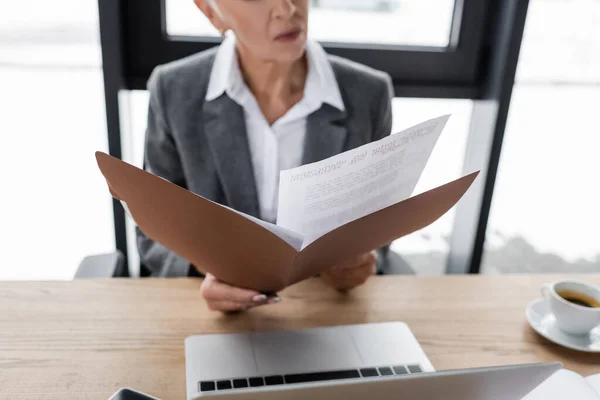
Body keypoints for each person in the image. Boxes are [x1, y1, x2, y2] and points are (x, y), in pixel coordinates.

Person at [136, 0, 394, 312]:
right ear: (211, 12)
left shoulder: (370, 94)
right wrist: (203, 269)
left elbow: (379, 223)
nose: (286, 9)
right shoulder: (172, 90)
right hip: (212, 317)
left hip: (325, 310)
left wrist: (363, 262)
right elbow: (154, 230)